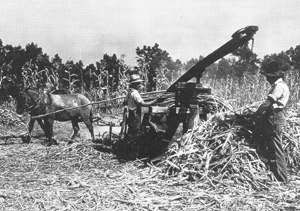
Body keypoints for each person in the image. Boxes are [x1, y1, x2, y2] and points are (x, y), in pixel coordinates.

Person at [252, 61, 290, 183]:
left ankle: (283, 178)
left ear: (273, 76)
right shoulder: (282, 85)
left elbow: (268, 103)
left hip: (275, 118)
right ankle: (270, 171)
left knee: (277, 148)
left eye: (268, 76)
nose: (267, 79)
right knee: (268, 143)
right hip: (275, 117)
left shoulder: (279, 86)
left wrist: (255, 115)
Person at [123, 74, 160, 139]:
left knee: (131, 130)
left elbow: (125, 102)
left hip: (131, 114)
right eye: (138, 83)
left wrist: (132, 103)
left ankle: (128, 144)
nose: (140, 85)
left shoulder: (129, 92)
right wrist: (155, 101)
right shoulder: (135, 93)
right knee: (136, 131)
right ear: (134, 84)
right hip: (135, 115)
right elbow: (143, 104)